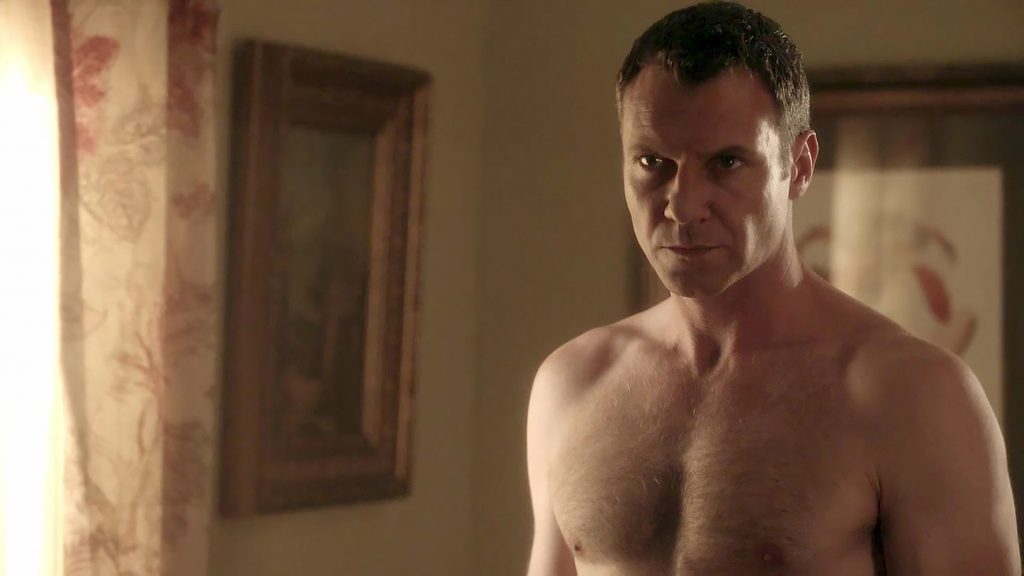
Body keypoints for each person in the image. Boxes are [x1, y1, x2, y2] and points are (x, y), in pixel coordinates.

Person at [525, 2, 1021, 574]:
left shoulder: (911, 396)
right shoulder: (572, 384)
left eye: (726, 163)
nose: (683, 205)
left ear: (799, 164)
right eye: (652, 161)